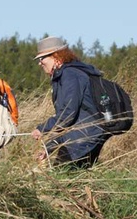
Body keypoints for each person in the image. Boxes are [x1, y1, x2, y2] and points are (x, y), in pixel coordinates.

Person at [30, 36, 109, 168]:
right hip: (85, 134)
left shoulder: (69, 75)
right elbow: (66, 123)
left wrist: (42, 129)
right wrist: (48, 149)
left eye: (42, 58)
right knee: (77, 177)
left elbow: (67, 115)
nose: (40, 63)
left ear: (56, 56)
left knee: (63, 175)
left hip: (84, 136)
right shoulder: (67, 75)